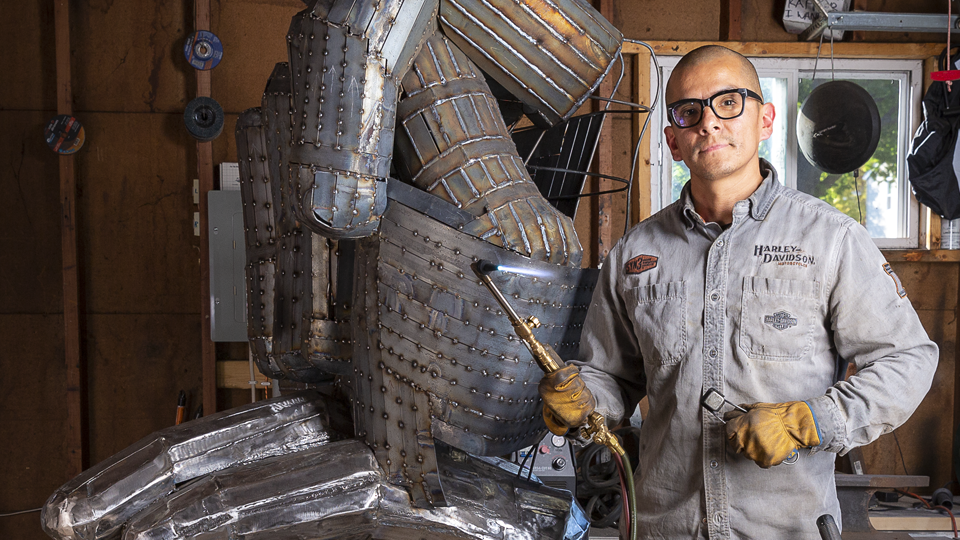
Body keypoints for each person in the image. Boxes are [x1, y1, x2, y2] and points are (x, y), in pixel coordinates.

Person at [538, 45, 938, 539]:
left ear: (765, 119)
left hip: (785, 529)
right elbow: (612, 377)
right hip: (663, 527)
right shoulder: (633, 255)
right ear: (672, 140)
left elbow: (908, 360)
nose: (708, 122)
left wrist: (808, 420)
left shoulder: (830, 239)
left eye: (729, 102)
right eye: (689, 111)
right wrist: (584, 400)